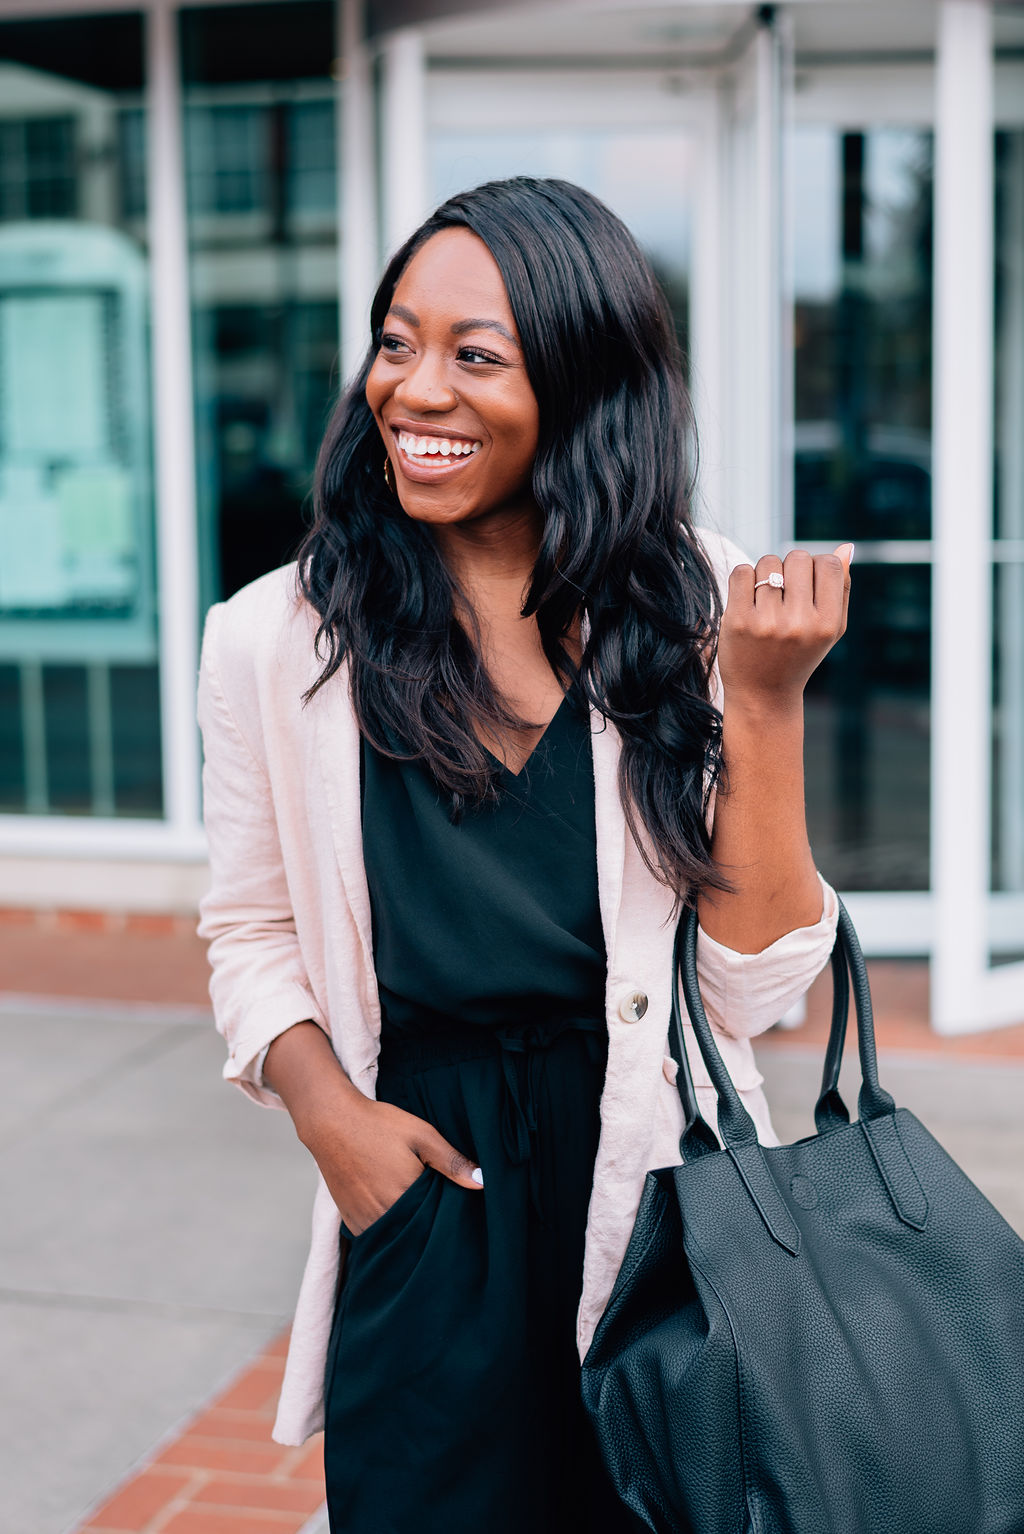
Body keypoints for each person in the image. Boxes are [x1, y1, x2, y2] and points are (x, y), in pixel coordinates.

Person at [197, 177, 847, 1533]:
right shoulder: (275, 639)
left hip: (659, 1195)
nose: (414, 389)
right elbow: (251, 932)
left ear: (582, 380)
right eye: (395, 341)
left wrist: (769, 701)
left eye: (473, 354)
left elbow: (754, 988)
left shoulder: (691, 601)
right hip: (429, 1204)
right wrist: (335, 1126)